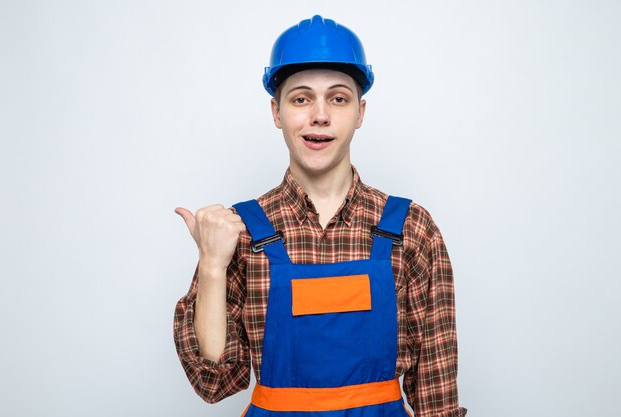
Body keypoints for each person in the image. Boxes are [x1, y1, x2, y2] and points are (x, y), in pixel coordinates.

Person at [173, 15, 467, 417]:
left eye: (338, 98)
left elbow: (437, 397)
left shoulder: (411, 229)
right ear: (276, 112)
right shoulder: (239, 232)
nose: (320, 116)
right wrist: (211, 266)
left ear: (360, 112)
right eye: (300, 99)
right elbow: (214, 382)